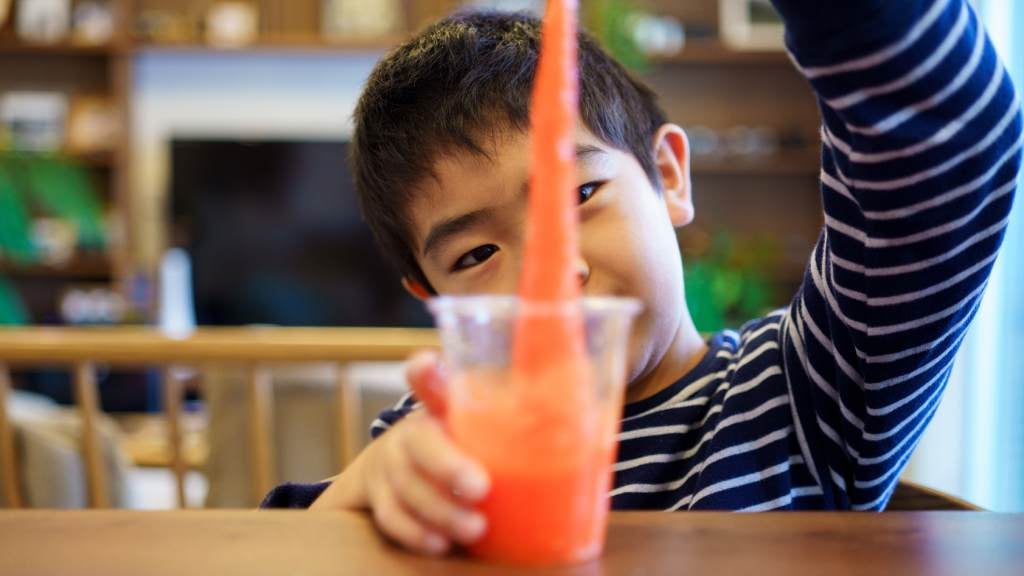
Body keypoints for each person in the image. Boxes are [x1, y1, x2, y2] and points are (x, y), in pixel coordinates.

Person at [262, 0, 1023, 558]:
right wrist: (361, 494)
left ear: (668, 176)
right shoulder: (442, 442)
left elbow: (953, 138)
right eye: (475, 256)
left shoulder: (804, 393)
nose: (549, 278)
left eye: (580, 196)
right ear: (432, 300)